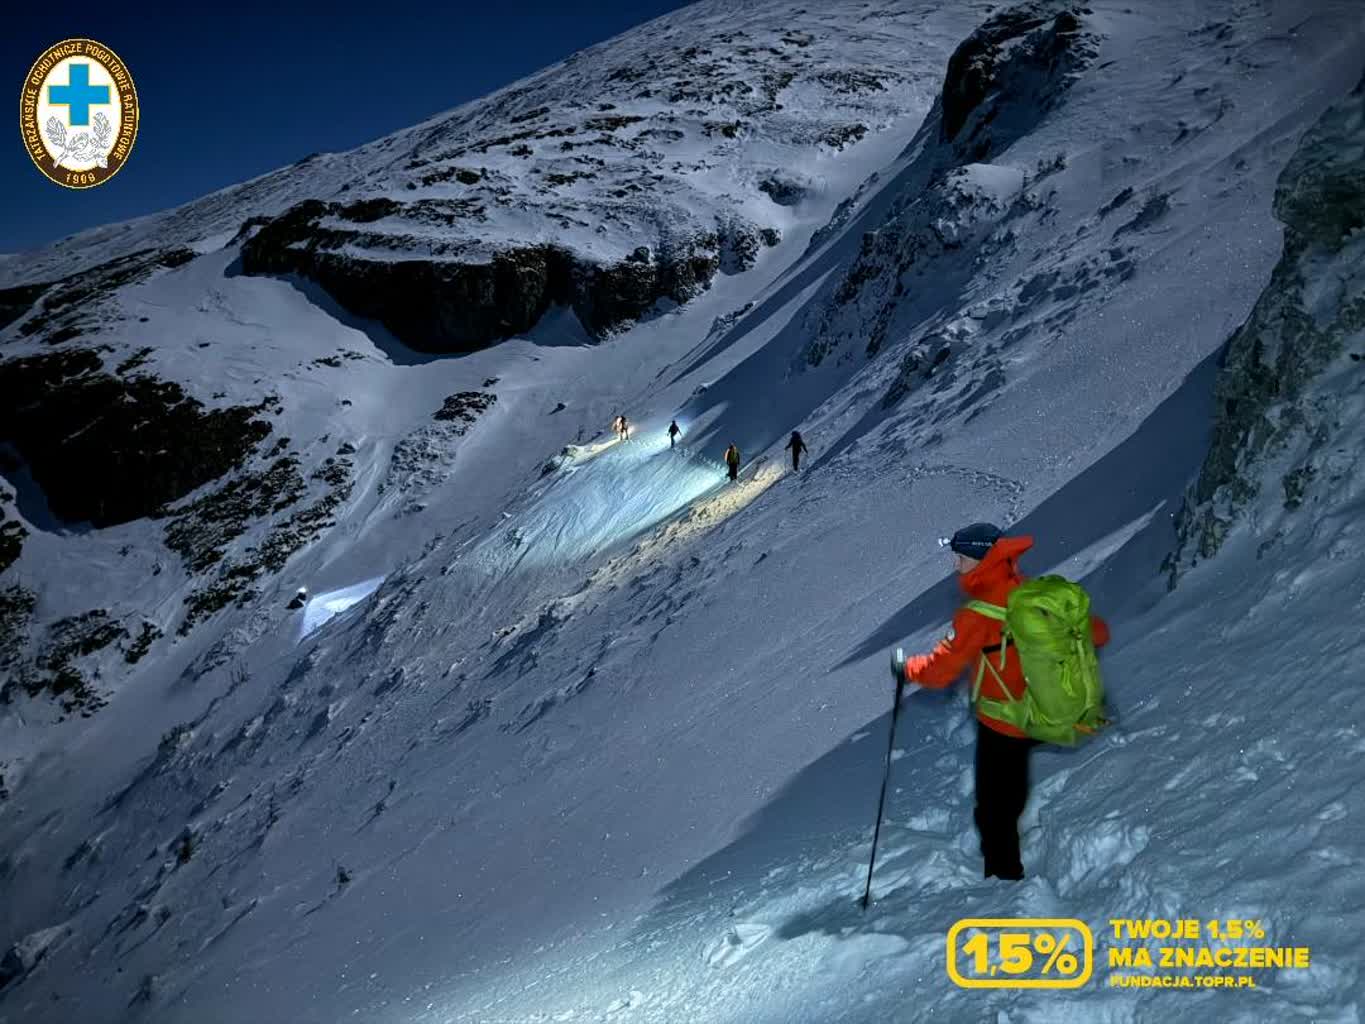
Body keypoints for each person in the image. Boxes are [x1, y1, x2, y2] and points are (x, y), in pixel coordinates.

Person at [891, 523, 1110, 881]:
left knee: (995, 810)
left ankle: (1004, 882)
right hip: (1045, 708)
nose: (955, 566)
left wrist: (906, 668)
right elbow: (1097, 631)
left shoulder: (976, 615)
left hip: (1003, 722)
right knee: (1012, 791)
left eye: (960, 558)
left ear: (979, 560)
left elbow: (940, 671)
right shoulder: (1032, 594)